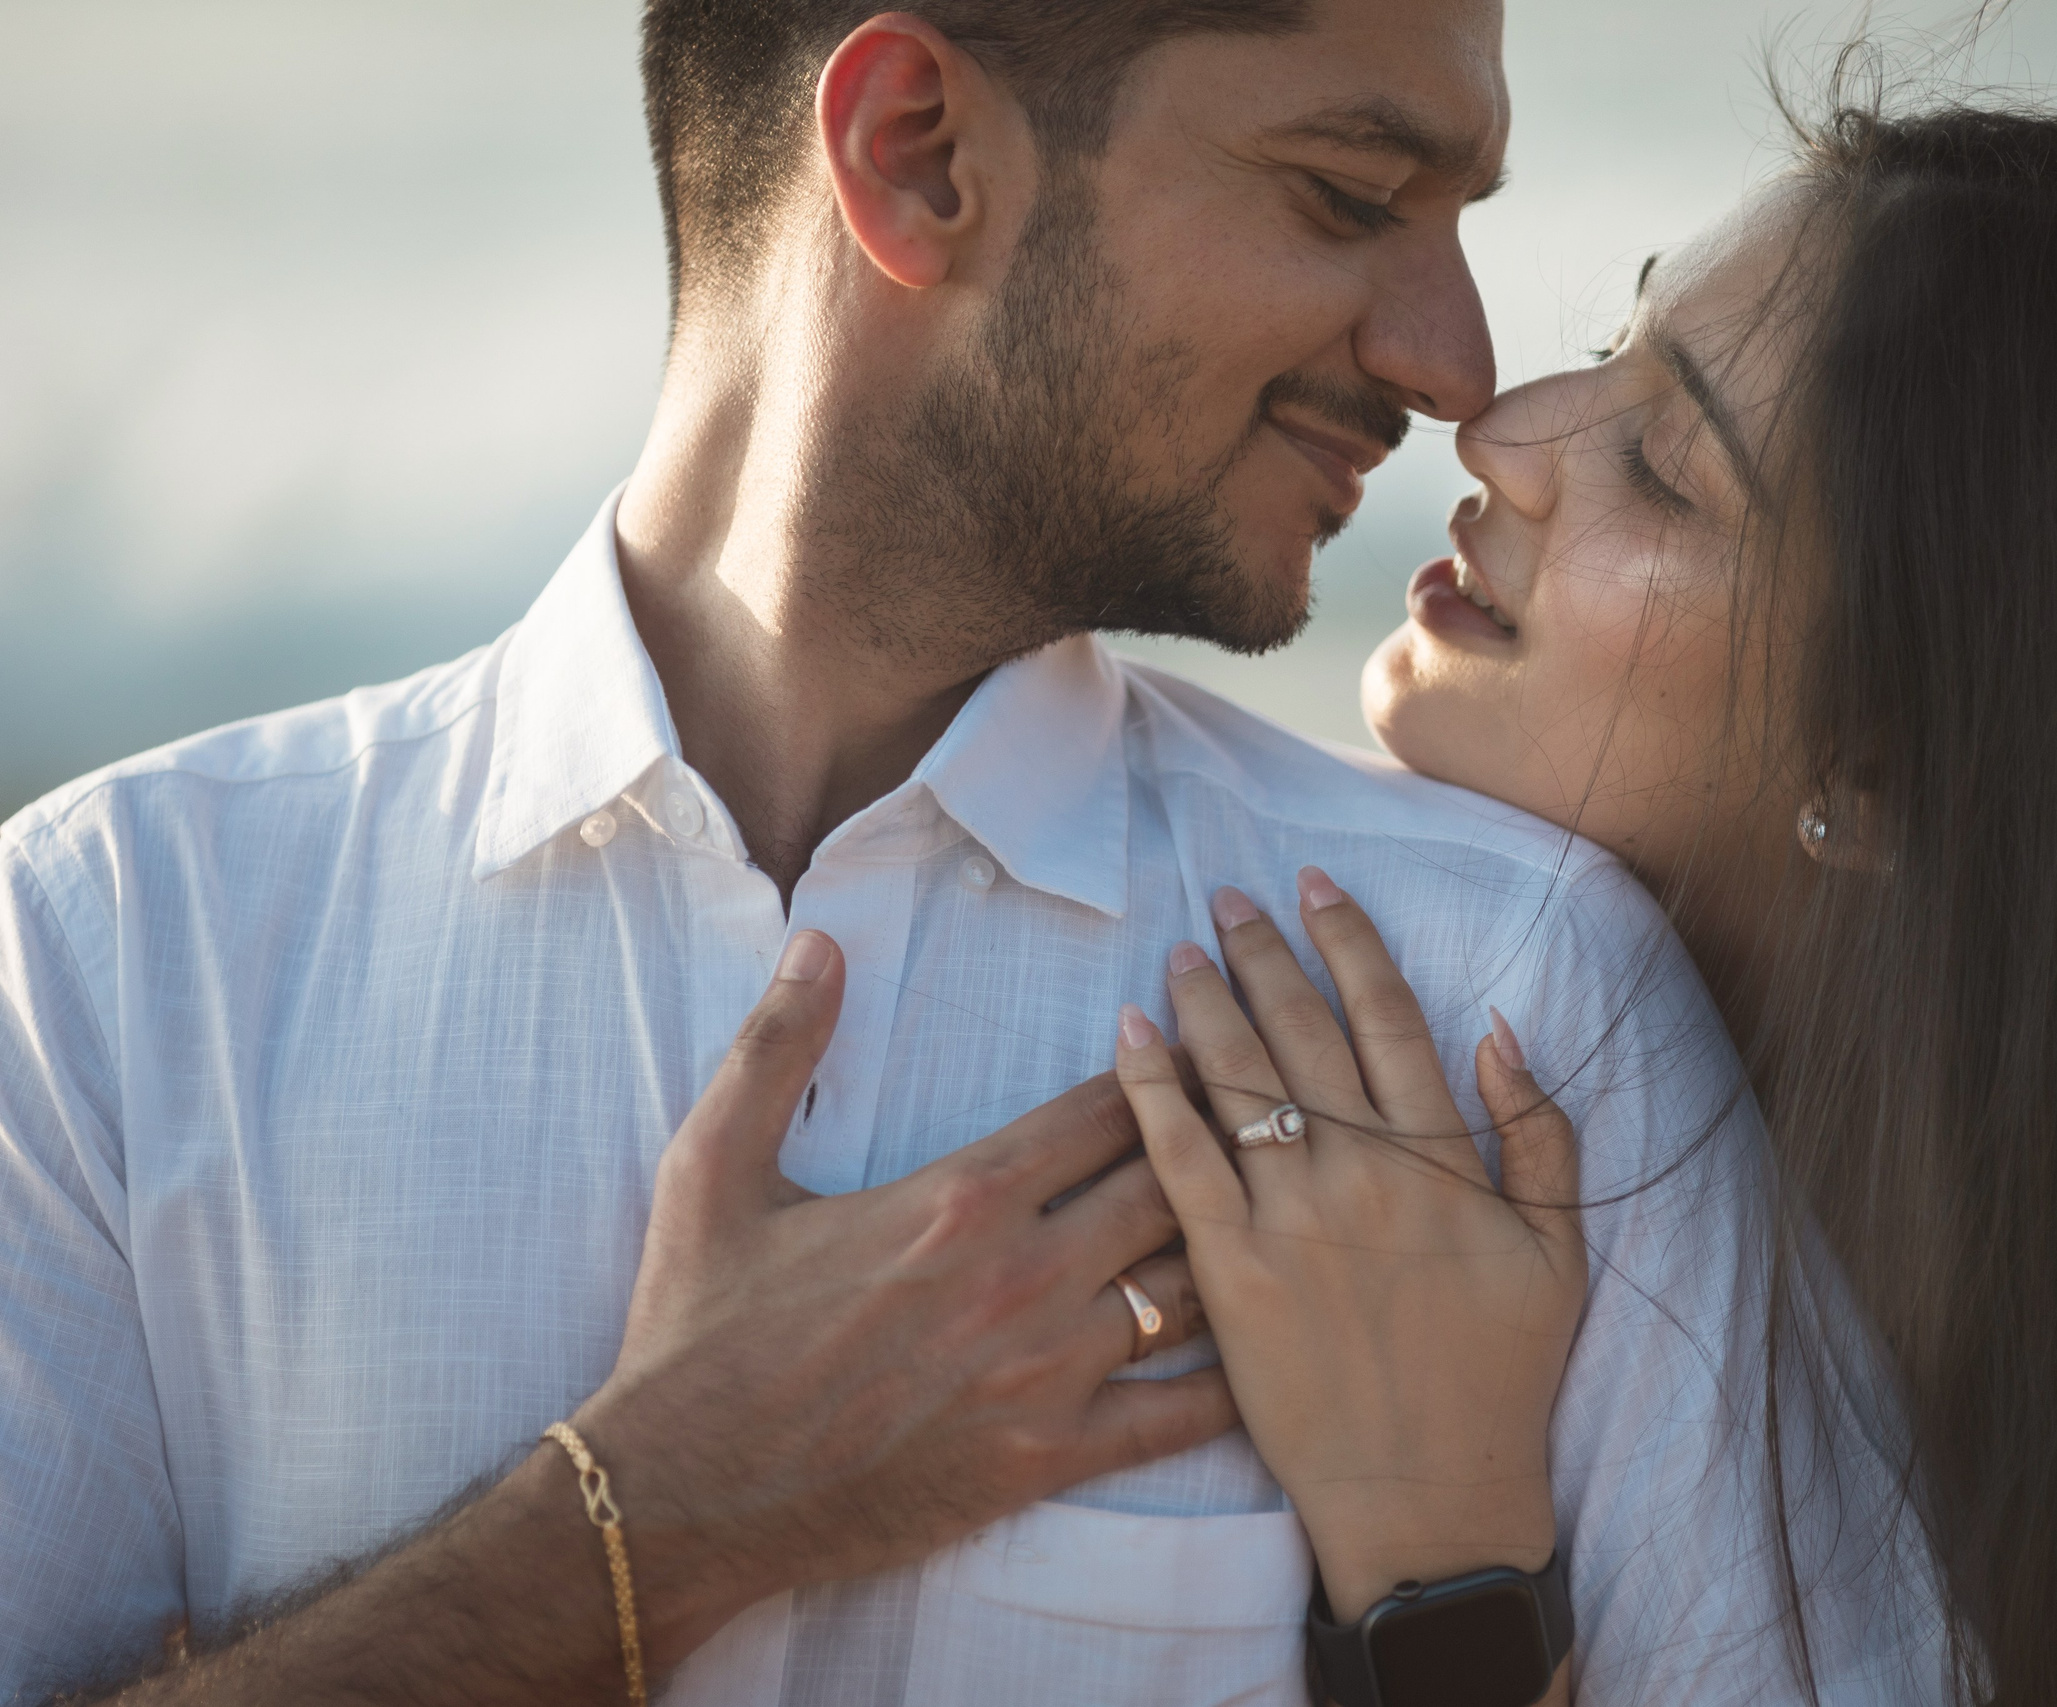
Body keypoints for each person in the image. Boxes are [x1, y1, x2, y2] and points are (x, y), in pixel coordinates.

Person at [0, 5, 1943, 1705]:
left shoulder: (1506, 994)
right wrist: (648, 1518)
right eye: (1349, 196)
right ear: (917, 159)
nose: (1457, 363)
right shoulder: (105, 964)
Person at [1103, 98, 2057, 1707]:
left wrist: (1440, 1565)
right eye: (1615, 340)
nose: (1502, 433)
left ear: (1874, 774)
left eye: (1662, 468)